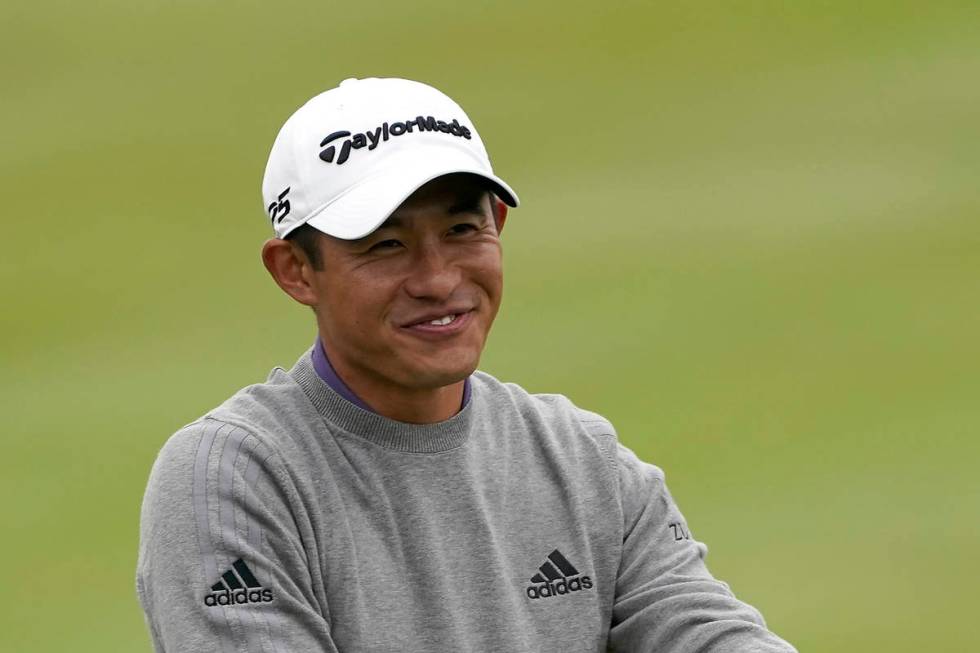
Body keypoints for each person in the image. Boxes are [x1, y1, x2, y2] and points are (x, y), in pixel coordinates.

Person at [137, 77, 796, 652]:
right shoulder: (235, 477)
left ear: (499, 227)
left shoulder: (581, 459)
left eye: (461, 231)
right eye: (386, 245)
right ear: (296, 271)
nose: (437, 278)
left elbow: (706, 631)